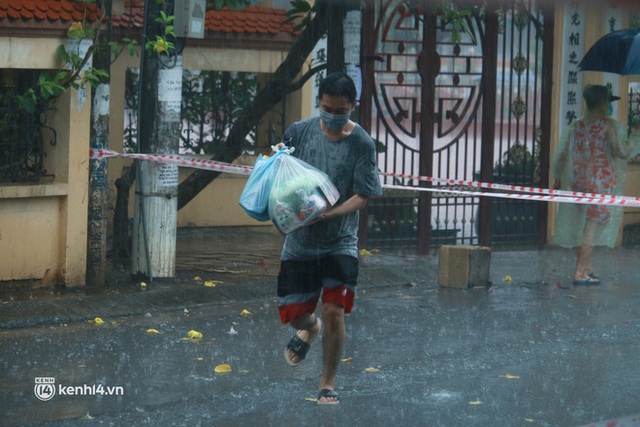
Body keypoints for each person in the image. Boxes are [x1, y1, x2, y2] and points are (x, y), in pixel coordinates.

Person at [274, 72, 382, 404]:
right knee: (294, 314)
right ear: (318, 102)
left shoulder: (362, 143)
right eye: (326, 108)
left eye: (340, 110)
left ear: (353, 105)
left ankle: (328, 381)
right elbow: (281, 172)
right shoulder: (299, 132)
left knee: (335, 310)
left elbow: (364, 195)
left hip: (340, 241)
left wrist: (330, 213)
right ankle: (311, 328)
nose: (332, 116)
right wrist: (278, 155)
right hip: (300, 241)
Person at [552, 84, 640, 285]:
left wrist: (557, 176)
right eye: (609, 101)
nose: (610, 105)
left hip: (578, 182)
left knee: (582, 225)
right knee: (590, 229)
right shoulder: (607, 125)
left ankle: (587, 265)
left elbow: (563, 152)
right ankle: (580, 272)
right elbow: (622, 152)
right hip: (598, 186)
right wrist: (636, 136)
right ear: (602, 102)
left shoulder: (577, 125)